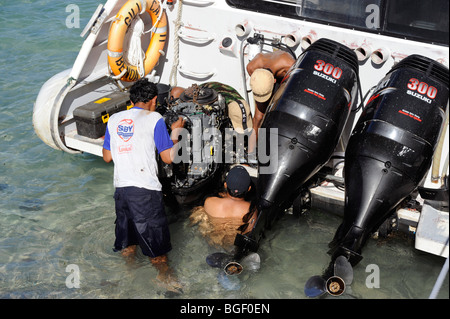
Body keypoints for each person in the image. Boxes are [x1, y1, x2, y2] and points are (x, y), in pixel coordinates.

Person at [102, 78, 184, 292]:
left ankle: (130, 275)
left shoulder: (113, 119)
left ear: (132, 100)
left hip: (121, 191)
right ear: (154, 100)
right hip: (145, 192)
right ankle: (167, 280)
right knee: (156, 247)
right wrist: (176, 132)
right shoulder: (154, 118)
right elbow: (168, 158)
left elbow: (107, 157)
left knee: (127, 241)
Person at [189, 165, 257, 251]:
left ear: (225, 185)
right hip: (233, 247)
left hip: (212, 243)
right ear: (249, 189)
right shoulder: (250, 209)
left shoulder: (209, 202)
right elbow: (250, 232)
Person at [246, 50, 296, 140]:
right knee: (258, 117)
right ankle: (251, 151)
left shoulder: (290, 65)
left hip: (285, 76)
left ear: (274, 81)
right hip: (265, 79)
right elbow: (259, 84)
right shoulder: (251, 67)